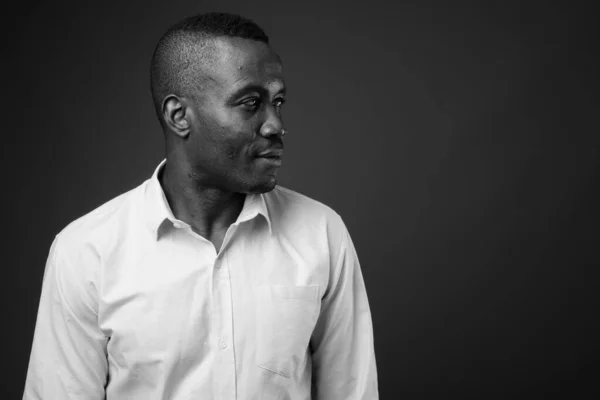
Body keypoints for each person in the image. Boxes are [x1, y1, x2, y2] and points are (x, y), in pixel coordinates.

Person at [23, 12, 378, 399]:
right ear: (179, 116)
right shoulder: (85, 253)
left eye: (278, 101)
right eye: (250, 103)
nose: (275, 124)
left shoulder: (321, 234)